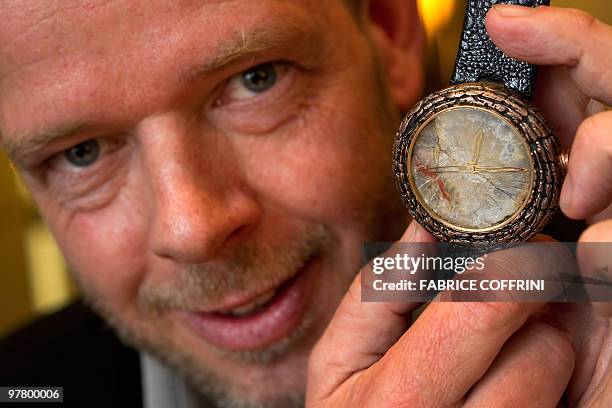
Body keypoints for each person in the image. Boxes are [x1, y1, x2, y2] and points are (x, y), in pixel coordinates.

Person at [0, 1, 610, 407]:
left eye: (256, 79)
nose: (193, 227)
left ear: (389, 35)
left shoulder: (592, 298)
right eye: (81, 153)